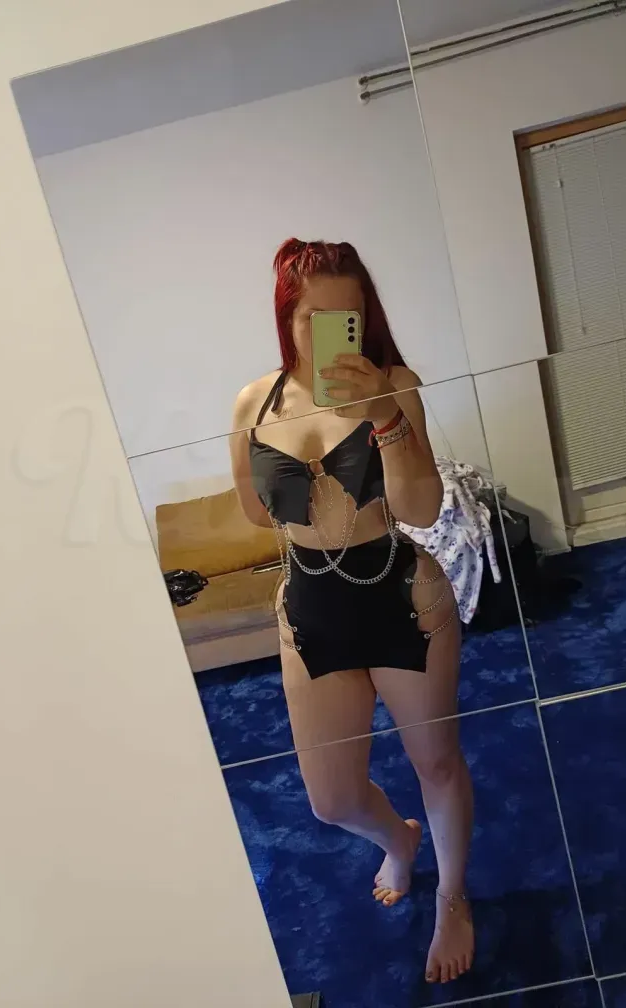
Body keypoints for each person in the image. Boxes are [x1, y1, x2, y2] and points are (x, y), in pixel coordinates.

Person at [230, 238, 474, 984]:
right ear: (286, 317)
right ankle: (399, 841)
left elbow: (422, 508)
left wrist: (384, 419)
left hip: (402, 594)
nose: (337, 331)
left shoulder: (394, 383)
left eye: (351, 314)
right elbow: (253, 512)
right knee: (332, 799)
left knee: (436, 762)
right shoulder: (254, 402)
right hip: (311, 603)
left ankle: (454, 900)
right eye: (316, 317)